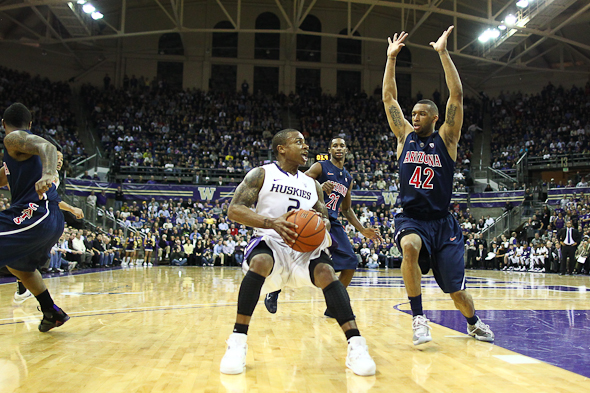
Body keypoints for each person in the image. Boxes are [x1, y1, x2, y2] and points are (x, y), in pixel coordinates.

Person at [219, 129, 375, 376]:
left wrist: (321, 224)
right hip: (271, 239)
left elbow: (324, 217)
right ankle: (237, 342)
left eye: (306, 143)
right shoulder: (261, 174)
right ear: (281, 148)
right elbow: (235, 210)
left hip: (304, 248)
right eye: (298, 142)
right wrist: (271, 223)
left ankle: (356, 345)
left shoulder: (312, 184)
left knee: (327, 271)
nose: (306, 147)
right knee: (260, 261)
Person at [382, 28, 494, 345]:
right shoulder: (404, 137)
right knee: (409, 247)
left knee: (457, 293)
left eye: (420, 113)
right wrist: (390, 60)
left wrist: (443, 53)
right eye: (412, 113)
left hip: (443, 223)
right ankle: (419, 318)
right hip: (412, 218)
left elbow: (456, 96)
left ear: (434, 116)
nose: (413, 117)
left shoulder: (447, 139)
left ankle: (472, 322)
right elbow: (389, 98)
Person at [264, 137, 382, 315]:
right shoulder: (321, 167)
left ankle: (334, 305)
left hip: (332, 222)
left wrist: (362, 229)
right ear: (330, 150)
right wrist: (318, 185)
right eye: (334, 145)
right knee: (294, 257)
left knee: (351, 262)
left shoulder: (348, 178)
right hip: (312, 217)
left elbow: (347, 209)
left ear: (347, 150)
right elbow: (299, 183)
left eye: (342, 145)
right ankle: (274, 290)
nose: (339, 148)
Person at [0, 102, 69, 332]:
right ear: (30, 123)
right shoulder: (15, 153)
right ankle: (51, 312)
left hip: (36, 213)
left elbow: (48, 147)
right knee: (19, 266)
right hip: (45, 218)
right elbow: (3, 176)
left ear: (3, 124)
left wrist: (48, 174)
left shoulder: (13, 138)